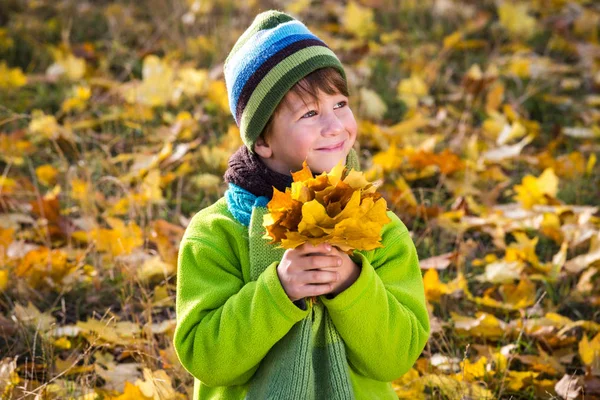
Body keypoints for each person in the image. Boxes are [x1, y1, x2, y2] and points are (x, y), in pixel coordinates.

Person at [173, 10, 430, 400]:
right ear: (262, 141)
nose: (334, 126)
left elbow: (396, 358)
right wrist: (278, 291)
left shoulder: (377, 227)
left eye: (340, 104)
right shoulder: (217, 233)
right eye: (310, 113)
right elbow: (206, 359)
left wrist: (353, 285)